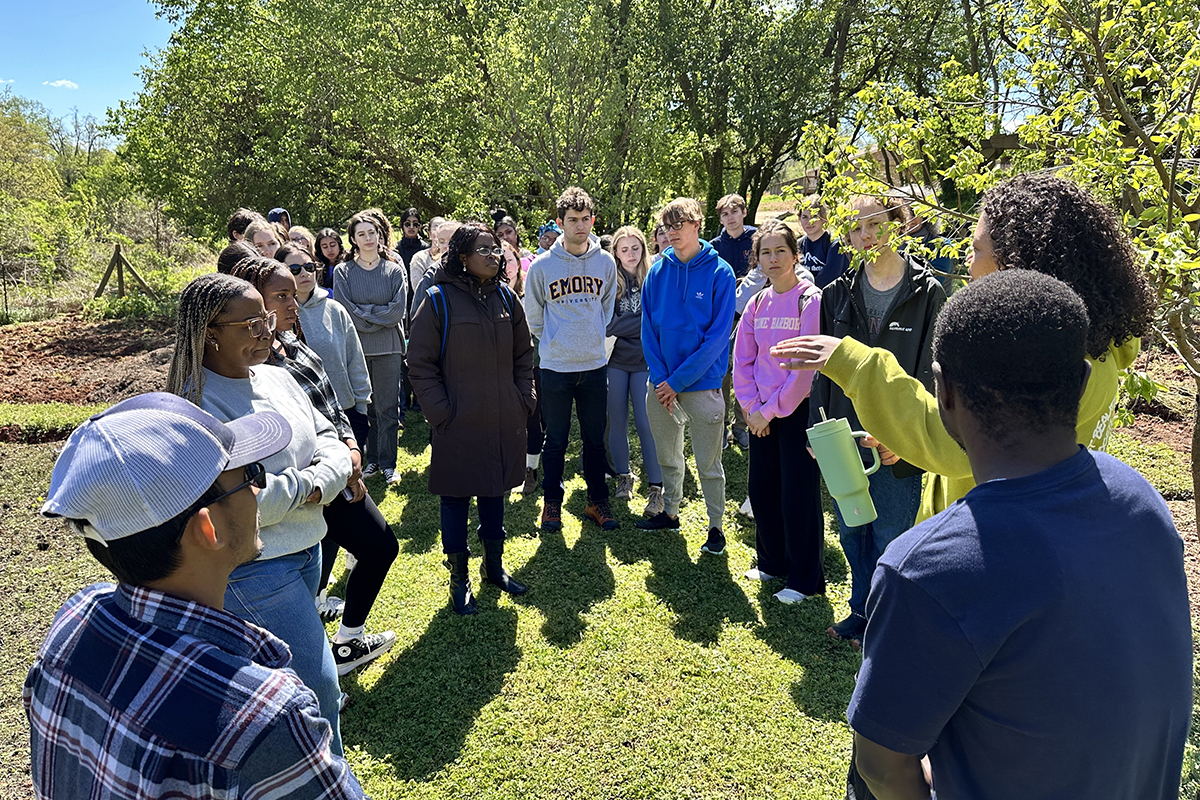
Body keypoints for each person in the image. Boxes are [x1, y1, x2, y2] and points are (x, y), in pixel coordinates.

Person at [848, 270, 1192, 800]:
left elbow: (879, 766)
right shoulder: (1141, 499)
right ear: (1080, 382)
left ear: (944, 393)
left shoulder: (927, 568)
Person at [27, 392, 366, 799]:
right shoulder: (266, 717)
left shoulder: (73, 622)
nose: (258, 489)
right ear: (210, 530)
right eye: (250, 475)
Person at [771, 174, 1156, 521]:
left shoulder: (1056, 366)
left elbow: (957, 442)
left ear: (1017, 262)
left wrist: (853, 363)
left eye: (975, 250)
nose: (968, 265)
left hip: (996, 546)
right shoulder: (1081, 345)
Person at [166, 272, 352, 753]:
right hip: (256, 570)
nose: (267, 330)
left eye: (265, 319)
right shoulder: (194, 407)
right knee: (319, 690)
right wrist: (313, 482)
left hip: (306, 550)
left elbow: (328, 437)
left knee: (277, 687)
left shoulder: (276, 376)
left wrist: (314, 478)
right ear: (209, 333)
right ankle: (327, 780)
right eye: (250, 323)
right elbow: (237, 508)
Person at [233, 251, 398, 676]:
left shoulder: (290, 344)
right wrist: (335, 468)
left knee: (328, 555)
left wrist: (351, 449)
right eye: (281, 295)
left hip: (336, 470)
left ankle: (338, 644)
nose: (293, 303)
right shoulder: (250, 366)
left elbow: (327, 407)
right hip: (308, 485)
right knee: (378, 546)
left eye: (294, 292)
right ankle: (328, 653)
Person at [805, 194, 945, 646]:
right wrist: (817, 429)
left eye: (875, 225)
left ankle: (889, 620)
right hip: (844, 437)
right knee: (852, 532)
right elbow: (822, 369)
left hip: (898, 439)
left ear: (897, 224)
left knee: (891, 534)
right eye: (856, 228)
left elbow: (931, 373)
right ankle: (861, 609)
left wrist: (908, 437)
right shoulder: (836, 292)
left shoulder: (927, 293)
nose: (866, 236)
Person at [408, 222, 536, 614]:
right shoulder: (437, 300)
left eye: (497, 249)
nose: (494, 256)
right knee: (456, 497)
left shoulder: (506, 299)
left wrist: (523, 397)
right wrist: (440, 412)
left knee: (495, 491)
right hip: (457, 421)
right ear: (462, 257)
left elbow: (523, 355)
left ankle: (494, 568)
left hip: (501, 418)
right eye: (484, 249)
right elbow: (419, 363)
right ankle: (460, 577)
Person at [636, 197, 736, 558]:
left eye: (680, 225)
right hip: (660, 385)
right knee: (668, 456)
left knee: (709, 463)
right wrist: (663, 380)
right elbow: (648, 329)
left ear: (697, 225)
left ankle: (715, 527)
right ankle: (671, 511)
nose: (673, 233)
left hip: (702, 384)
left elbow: (717, 337)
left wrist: (677, 382)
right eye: (668, 227)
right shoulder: (657, 272)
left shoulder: (720, 272)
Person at [732, 220, 824, 604]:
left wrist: (769, 412)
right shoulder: (756, 302)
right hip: (760, 415)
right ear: (757, 259)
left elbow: (806, 369)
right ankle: (771, 563)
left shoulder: (810, 300)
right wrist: (752, 408)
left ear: (795, 255)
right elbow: (743, 360)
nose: (773, 259)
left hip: (795, 412)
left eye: (780, 251)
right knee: (763, 489)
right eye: (765, 252)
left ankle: (804, 580)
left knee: (797, 494)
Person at [525, 187, 619, 532]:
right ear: (561, 223)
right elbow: (533, 315)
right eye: (572, 220)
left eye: (585, 219)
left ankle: (597, 500)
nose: (580, 226)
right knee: (556, 439)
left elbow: (605, 307)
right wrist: (554, 340)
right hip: (556, 367)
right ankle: (552, 502)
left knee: (595, 439)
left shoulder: (605, 263)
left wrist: (591, 335)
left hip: (594, 365)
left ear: (592, 221)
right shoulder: (542, 267)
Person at [333, 209, 408, 484]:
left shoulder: (394, 269)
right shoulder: (343, 272)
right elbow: (345, 311)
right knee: (367, 408)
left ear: (380, 235)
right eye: (361, 234)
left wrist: (365, 313)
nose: (367, 238)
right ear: (352, 239)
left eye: (372, 233)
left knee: (388, 408)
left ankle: (389, 463)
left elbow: (397, 311)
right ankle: (371, 459)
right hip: (357, 348)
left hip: (388, 348)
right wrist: (376, 315)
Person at [605, 225, 664, 515]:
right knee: (617, 421)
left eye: (635, 248)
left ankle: (656, 487)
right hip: (615, 361)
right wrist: (639, 325)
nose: (630, 254)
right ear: (615, 252)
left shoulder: (653, 277)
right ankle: (623, 476)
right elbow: (608, 325)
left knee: (646, 422)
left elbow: (657, 321)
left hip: (645, 362)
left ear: (643, 248)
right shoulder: (609, 281)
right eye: (624, 249)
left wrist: (630, 326)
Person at [710, 193, 758, 450]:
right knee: (722, 371)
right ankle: (721, 426)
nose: (730, 218)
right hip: (724, 315)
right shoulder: (715, 245)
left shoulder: (756, 238)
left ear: (743, 213)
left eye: (734, 212)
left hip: (753, 313)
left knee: (745, 369)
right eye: (725, 214)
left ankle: (742, 426)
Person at [797, 194, 850, 289]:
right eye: (805, 217)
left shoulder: (835, 244)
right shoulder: (797, 245)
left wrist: (803, 291)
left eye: (814, 217)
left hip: (827, 298)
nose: (809, 222)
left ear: (824, 219)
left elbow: (828, 279)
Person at [396, 207, 429, 272]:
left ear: (420, 226)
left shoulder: (426, 249)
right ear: (402, 226)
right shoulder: (395, 249)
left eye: (415, 224)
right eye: (407, 224)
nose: (411, 227)